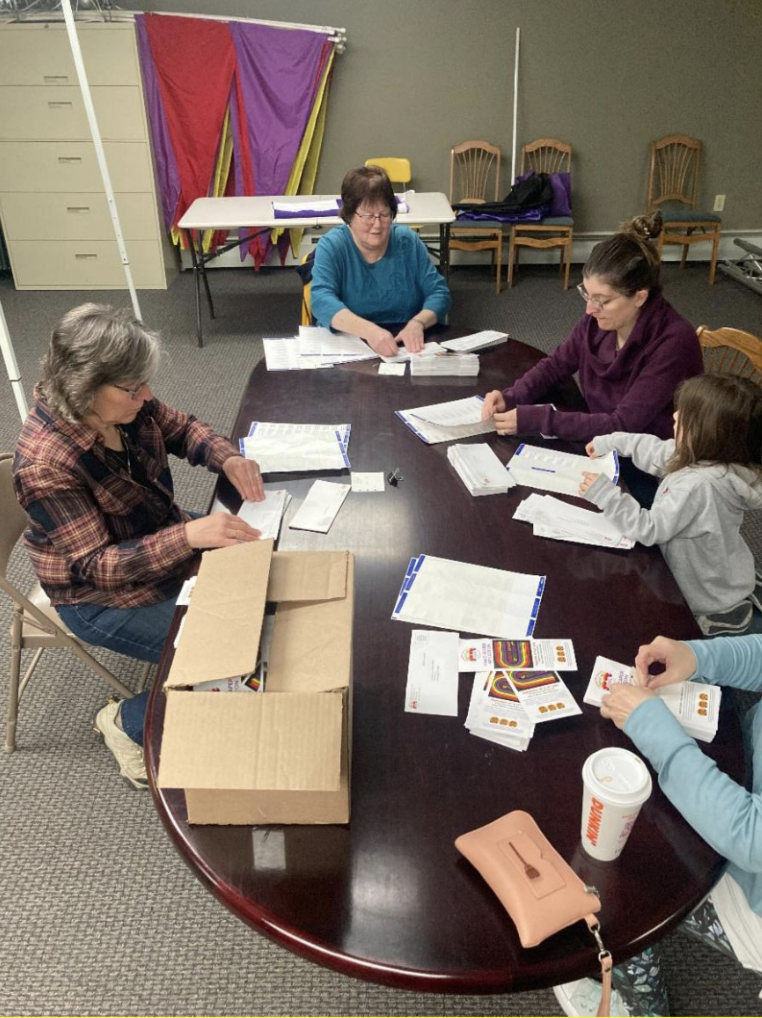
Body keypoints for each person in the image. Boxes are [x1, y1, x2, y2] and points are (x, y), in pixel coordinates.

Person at [13, 304, 264, 789]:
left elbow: (182, 428)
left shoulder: (123, 400)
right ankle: (126, 722)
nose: (146, 396)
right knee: (239, 657)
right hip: (100, 597)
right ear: (84, 387)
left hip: (154, 535)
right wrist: (188, 536)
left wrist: (227, 457)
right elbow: (96, 566)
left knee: (261, 574)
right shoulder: (46, 464)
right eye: (132, 389)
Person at [554, 633, 762, 1018]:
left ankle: (642, 1008)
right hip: (746, 779)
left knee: (604, 879)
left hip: (751, 891)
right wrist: (697, 656)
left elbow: (749, 835)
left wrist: (652, 727)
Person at [481, 213, 704, 503]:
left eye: (602, 299)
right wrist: (512, 396)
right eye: (587, 294)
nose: (589, 309)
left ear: (639, 297)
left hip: (648, 466)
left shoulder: (673, 342)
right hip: (601, 442)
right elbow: (557, 364)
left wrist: (538, 418)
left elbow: (622, 425)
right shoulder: (600, 320)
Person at [579, 373, 762, 637]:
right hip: (722, 561)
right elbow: (655, 449)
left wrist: (605, 495)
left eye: (684, 417)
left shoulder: (697, 486)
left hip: (703, 587)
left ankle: (725, 616)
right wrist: (612, 442)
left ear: (708, 434)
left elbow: (650, 529)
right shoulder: (710, 456)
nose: (674, 417)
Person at [310, 164, 451, 357]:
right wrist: (370, 331)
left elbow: (439, 293)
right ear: (349, 215)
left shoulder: (406, 241)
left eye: (384, 215)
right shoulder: (333, 246)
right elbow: (320, 300)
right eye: (368, 216)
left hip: (405, 344)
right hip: (352, 344)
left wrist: (418, 323)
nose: (377, 224)